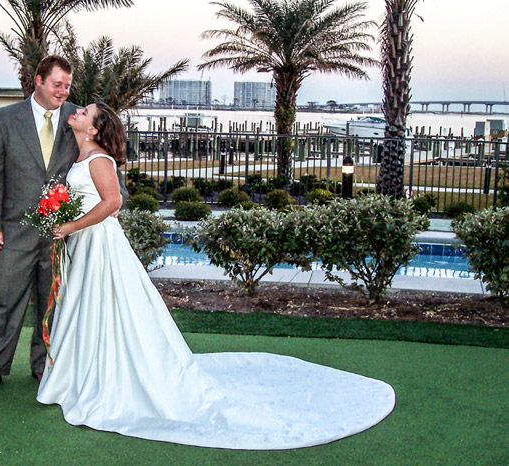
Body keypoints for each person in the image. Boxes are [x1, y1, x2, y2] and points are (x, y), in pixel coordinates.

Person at [35, 102, 397, 449]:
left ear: (94, 129)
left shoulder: (99, 159)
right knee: (85, 306)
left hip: (99, 244)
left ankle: (105, 376)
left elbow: (112, 202)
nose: (77, 112)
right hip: (82, 243)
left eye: (85, 113)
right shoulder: (81, 155)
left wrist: (71, 225)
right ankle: (79, 374)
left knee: (103, 306)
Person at [0, 55, 125, 393]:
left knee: (53, 302)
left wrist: (116, 199)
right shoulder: (5, 119)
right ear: (38, 80)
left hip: (60, 235)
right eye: (56, 84)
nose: (63, 91)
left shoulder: (79, 118)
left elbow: (104, 155)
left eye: (67, 85)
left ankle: (44, 368)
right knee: (5, 299)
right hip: (13, 229)